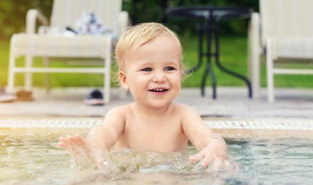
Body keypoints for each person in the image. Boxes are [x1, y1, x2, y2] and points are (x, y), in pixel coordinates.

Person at [58, 22, 231, 170]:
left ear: (180, 72)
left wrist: (215, 145)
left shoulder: (184, 115)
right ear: (125, 80)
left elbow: (205, 137)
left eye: (169, 68)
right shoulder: (122, 115)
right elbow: (104, 132)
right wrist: (94, 146)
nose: (160, 77)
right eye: (147, 69)